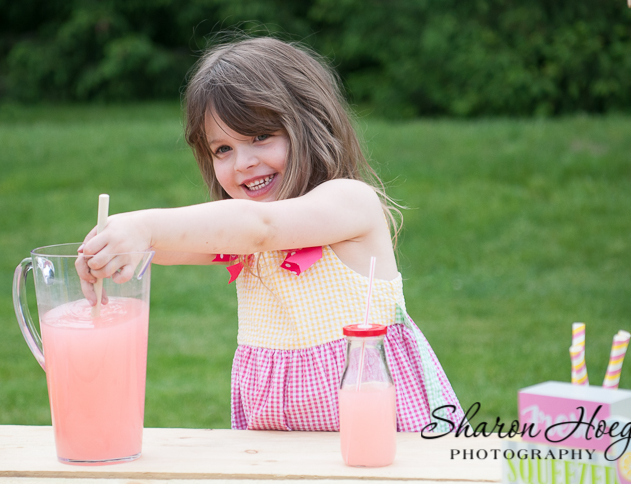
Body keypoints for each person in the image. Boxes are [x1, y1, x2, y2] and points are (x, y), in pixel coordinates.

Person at [77, 36, 465, 432]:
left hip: (376, 432)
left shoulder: (349, 202)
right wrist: (110, 246)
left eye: (260, 136)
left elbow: (262, 229)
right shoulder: (242, 240)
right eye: (222, 149)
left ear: (309, 125)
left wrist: (145, 227)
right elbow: (168, 245)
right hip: (276, 440)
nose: (243, 163)